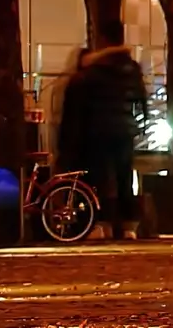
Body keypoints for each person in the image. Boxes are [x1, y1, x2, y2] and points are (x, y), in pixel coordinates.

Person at [56, 25, 148, 239]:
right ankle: (128, 227)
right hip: (125, 131)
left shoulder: (93, 71)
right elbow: (142, 101)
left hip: (98, 131)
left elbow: (82, 107)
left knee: (100, 178)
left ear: (103, 40)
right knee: (124, 178)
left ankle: (101, 225)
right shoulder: (133, 69)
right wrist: (139, 125)